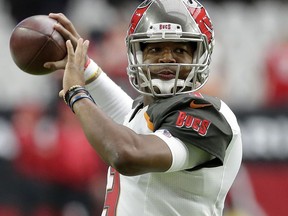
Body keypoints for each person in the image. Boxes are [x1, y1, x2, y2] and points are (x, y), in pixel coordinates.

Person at [44, 0, 242, 215]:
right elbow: (129, 115)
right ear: (137, 55)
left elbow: (127, 154)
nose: (167, 58)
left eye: (180, 49)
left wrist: (76, 93)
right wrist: (83, 65)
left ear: (199, 56)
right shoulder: (143, 112)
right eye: (155, 49)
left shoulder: (209, 115)